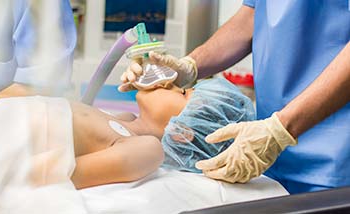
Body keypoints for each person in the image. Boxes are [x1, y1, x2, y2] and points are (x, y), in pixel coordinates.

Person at [120, 1, 350, 193]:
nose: (170, 85)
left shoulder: (140, 151)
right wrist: (190, 66)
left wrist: (281, 128)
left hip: (333, 161)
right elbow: (252, 16)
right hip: (267, 162)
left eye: (184, 91)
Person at [0, 78, 255, 189]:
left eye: (183, 92)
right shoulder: (123, 120)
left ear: (184, 133)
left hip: (4, 143)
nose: (170, 83)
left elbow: (62, 173)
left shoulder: (148, 149)